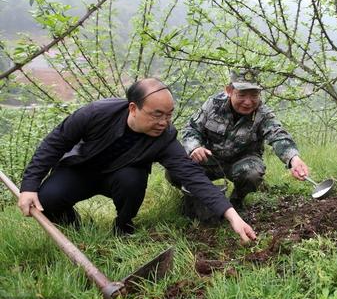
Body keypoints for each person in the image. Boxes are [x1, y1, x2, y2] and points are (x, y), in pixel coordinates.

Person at [17, 78, 256, 243]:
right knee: (47, 199)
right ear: (133, 108)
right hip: (82, 170)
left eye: (169, 115)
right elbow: (54, 144)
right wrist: (28, 186)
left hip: (122, 178)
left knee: (132, 179)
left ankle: (123, 226)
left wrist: (232, 216)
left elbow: (191, 175)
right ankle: (74, 229)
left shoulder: (164, 137)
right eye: (157, 115)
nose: (164, 122)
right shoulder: (96, 113)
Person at [170, 68, 309, 214]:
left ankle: (236, 202)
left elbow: (278, 135)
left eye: (254, 95)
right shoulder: (213, 105)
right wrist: (194, 148)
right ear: (229, 90)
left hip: (242, 163)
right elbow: (191, 129)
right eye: (241, 95)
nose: (248, 102)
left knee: (252, 174)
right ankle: (195, 197)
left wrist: (293, 159)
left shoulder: (263, 113)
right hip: (210, 158)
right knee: (176, 169)